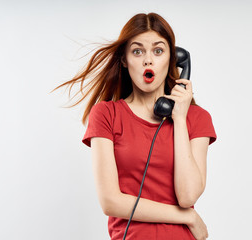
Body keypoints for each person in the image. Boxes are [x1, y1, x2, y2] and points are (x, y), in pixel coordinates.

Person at [53, 12, 216, 240]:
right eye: (137, 51)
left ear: (172, 60)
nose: (148, 60)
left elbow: (187, 197)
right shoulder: (106, 114)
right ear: (124, 60)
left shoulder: (197, 118)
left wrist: (179, 118)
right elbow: (110, 201)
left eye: (158, 51)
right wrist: (187, 217)